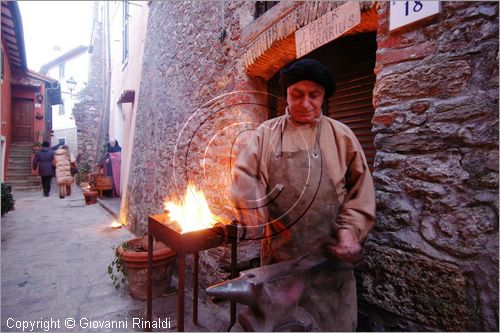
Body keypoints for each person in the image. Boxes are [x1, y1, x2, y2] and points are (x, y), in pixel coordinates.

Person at [230, 59, 376, 331]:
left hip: (330, 268)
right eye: (297, 94)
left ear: (323, 96)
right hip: (280, 266)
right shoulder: (266, 134)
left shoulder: (340, 135)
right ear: (286, 94)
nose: (305, 103)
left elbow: (361, 190)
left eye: (314, 95)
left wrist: (351, 231)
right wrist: (251, 202)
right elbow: (244, 174)